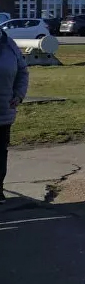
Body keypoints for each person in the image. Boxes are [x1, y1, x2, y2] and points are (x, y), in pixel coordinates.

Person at [0, 24, 30, 203]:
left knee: (0, 153)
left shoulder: (9, 45)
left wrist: (19, 95)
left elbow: (23, 72)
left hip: (4, 111)